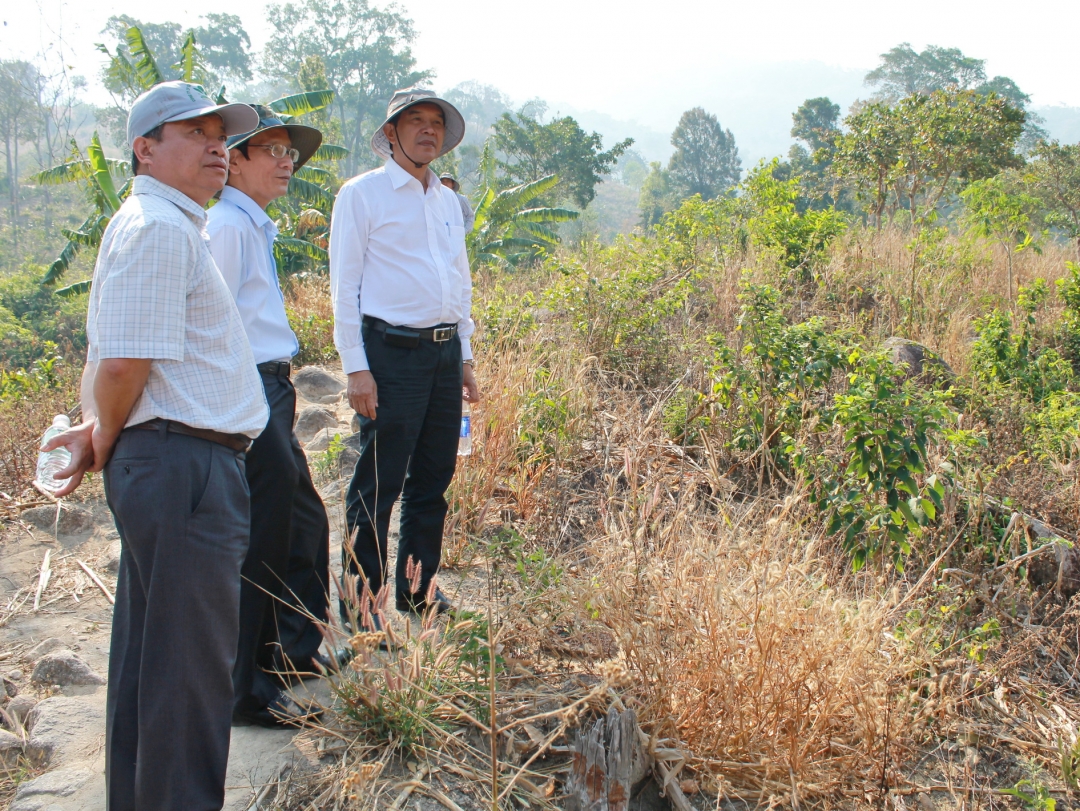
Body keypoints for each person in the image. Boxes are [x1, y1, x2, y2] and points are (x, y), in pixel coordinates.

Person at [42, 81, 265, 810]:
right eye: (192, 132)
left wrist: (106, 426)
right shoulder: (161, 229)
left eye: (219, 134)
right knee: (187, 677)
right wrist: (104, 429)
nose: (215, 147)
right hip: (185, 465)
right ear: (144, 148)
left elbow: (123, 360)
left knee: (155, 663)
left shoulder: (163, 225)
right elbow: (121, 366)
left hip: (176, 461)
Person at [206, 105, 339, 728]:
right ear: (233, 162)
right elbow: (214, 321)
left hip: (271, 387)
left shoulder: (251, 224)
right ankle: (244, 687)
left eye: (291, 152)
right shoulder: (227, 228)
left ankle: (293, 653)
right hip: (250, 389)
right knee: (263, 537)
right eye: (272, 151)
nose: (287, 161)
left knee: (303, 521)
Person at [329, 87, 480, 618]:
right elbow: (344, 286)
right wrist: (356, 368)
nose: (427, 130)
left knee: (433, 479)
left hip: (441, 357)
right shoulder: (362, 195)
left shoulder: (445, 199)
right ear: (390, 133)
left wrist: (464, 357)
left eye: (436, 122)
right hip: (389, 354)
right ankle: (363, 606)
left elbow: (458, 281)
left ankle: (419, 592)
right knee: (379, 481)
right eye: (414, 120)